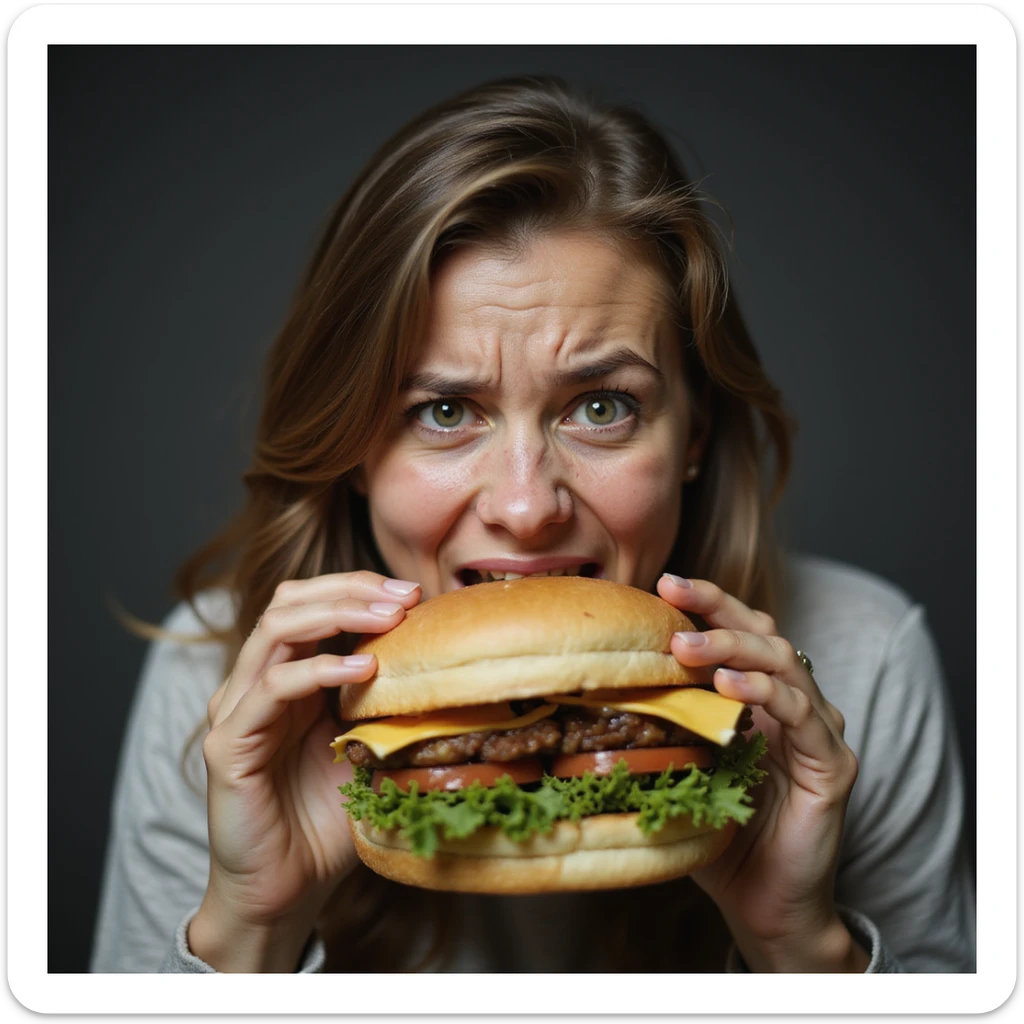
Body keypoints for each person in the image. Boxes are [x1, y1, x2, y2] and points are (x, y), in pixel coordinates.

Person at [90, 75, 975, 974]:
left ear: (694, 434)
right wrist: (251, 926)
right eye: (443, 412)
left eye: (601, 407)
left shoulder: (858, 657)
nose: (525, 507)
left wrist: (797, 942)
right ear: (354, 444)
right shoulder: (228, 675)